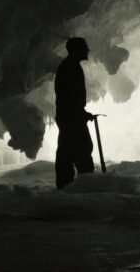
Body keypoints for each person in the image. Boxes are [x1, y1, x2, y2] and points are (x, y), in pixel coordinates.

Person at [54, 37, 95, 189]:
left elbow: (69, 97)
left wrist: (81, 112)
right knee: (82, 149)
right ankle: (87, 185)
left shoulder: (69, 66)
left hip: (69, 116)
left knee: (67, 151)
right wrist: (79, 113)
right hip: (72, 118)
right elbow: (69, 97)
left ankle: (66, 185)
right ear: (76, 50)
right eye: (85, 47)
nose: (88, 50)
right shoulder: (71, 67)